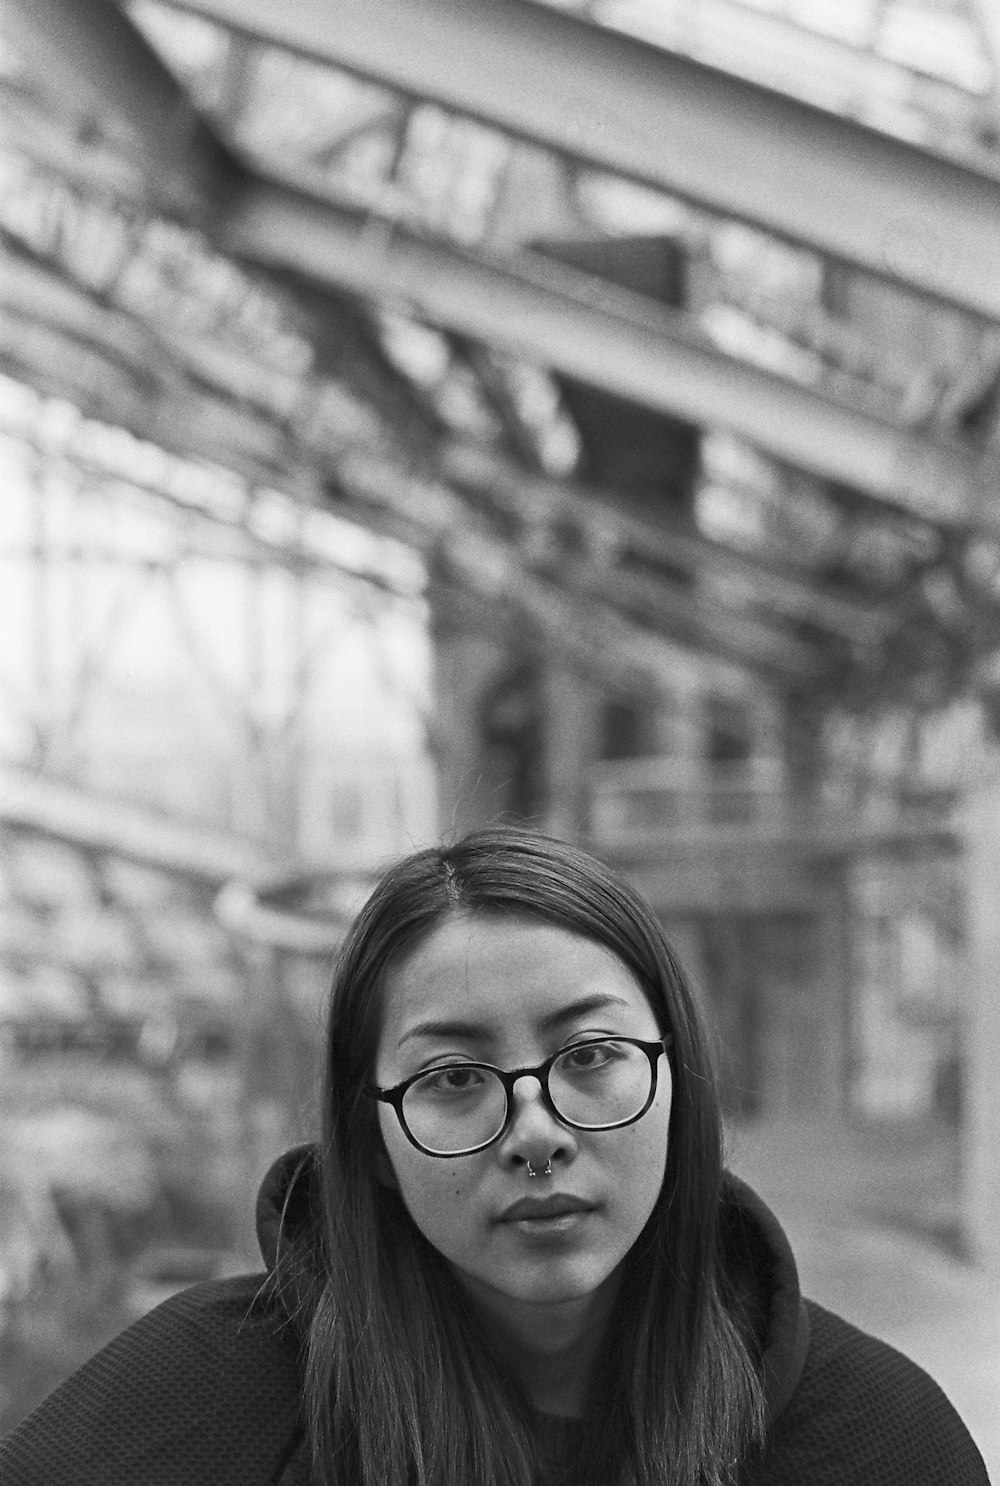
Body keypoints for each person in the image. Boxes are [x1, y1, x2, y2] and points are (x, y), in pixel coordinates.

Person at [0, 827, 989, 1486]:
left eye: (592, 1056)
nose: (535, 1131)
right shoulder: (193, 1409)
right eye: (452, 1077)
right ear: (374, 1142)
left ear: (677, 1082)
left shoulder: (875, 1440)